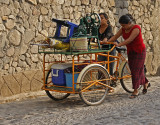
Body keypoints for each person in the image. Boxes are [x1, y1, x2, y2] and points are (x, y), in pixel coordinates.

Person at [100, 14, 150, 99]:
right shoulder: (123, 29)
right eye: (122, 25)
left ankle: (135, 90)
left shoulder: (136, 28)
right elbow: (115, 36)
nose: (123, 27)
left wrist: (119, 44)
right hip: (131, 51)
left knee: (135, 70)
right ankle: (146, 83)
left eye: (124, 25)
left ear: (129, 23)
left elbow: (130, 39)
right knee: (136, 69)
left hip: (139, 51)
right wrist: (107, 41)